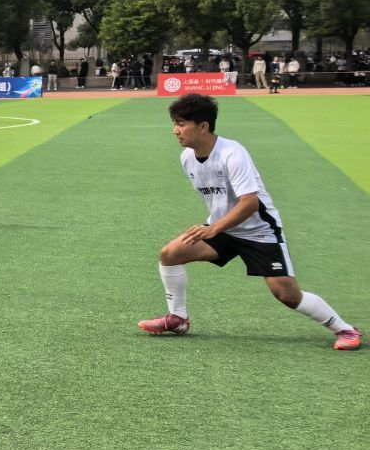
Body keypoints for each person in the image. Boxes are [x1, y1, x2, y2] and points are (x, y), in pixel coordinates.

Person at [139, 94, 358, 350]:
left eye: (181, 124)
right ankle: (178, 318)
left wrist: (214, 228)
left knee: (287, 294)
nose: (175, 131)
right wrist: (216, 227)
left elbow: (250, 203)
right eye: (175, 124)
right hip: (223, 228)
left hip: (259, 231)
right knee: (171, 253)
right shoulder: (187, 157)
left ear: (203, 126)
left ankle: (345, 329)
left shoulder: (232, 153)